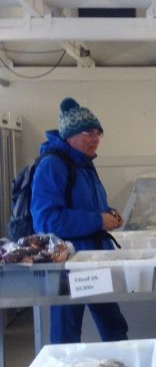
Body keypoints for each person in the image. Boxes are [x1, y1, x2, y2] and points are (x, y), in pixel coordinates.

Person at [30, 97, 128, 344]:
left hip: (94, 260)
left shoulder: (83, 164)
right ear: (69, 135)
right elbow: (46, 221)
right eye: (88, 132)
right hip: (68, 264)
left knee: (114, 326)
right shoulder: (53, 165)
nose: (95, 138)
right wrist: (98, 220)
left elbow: (91, 208)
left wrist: (110, 215)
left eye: (98, 133)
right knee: (66, 334)